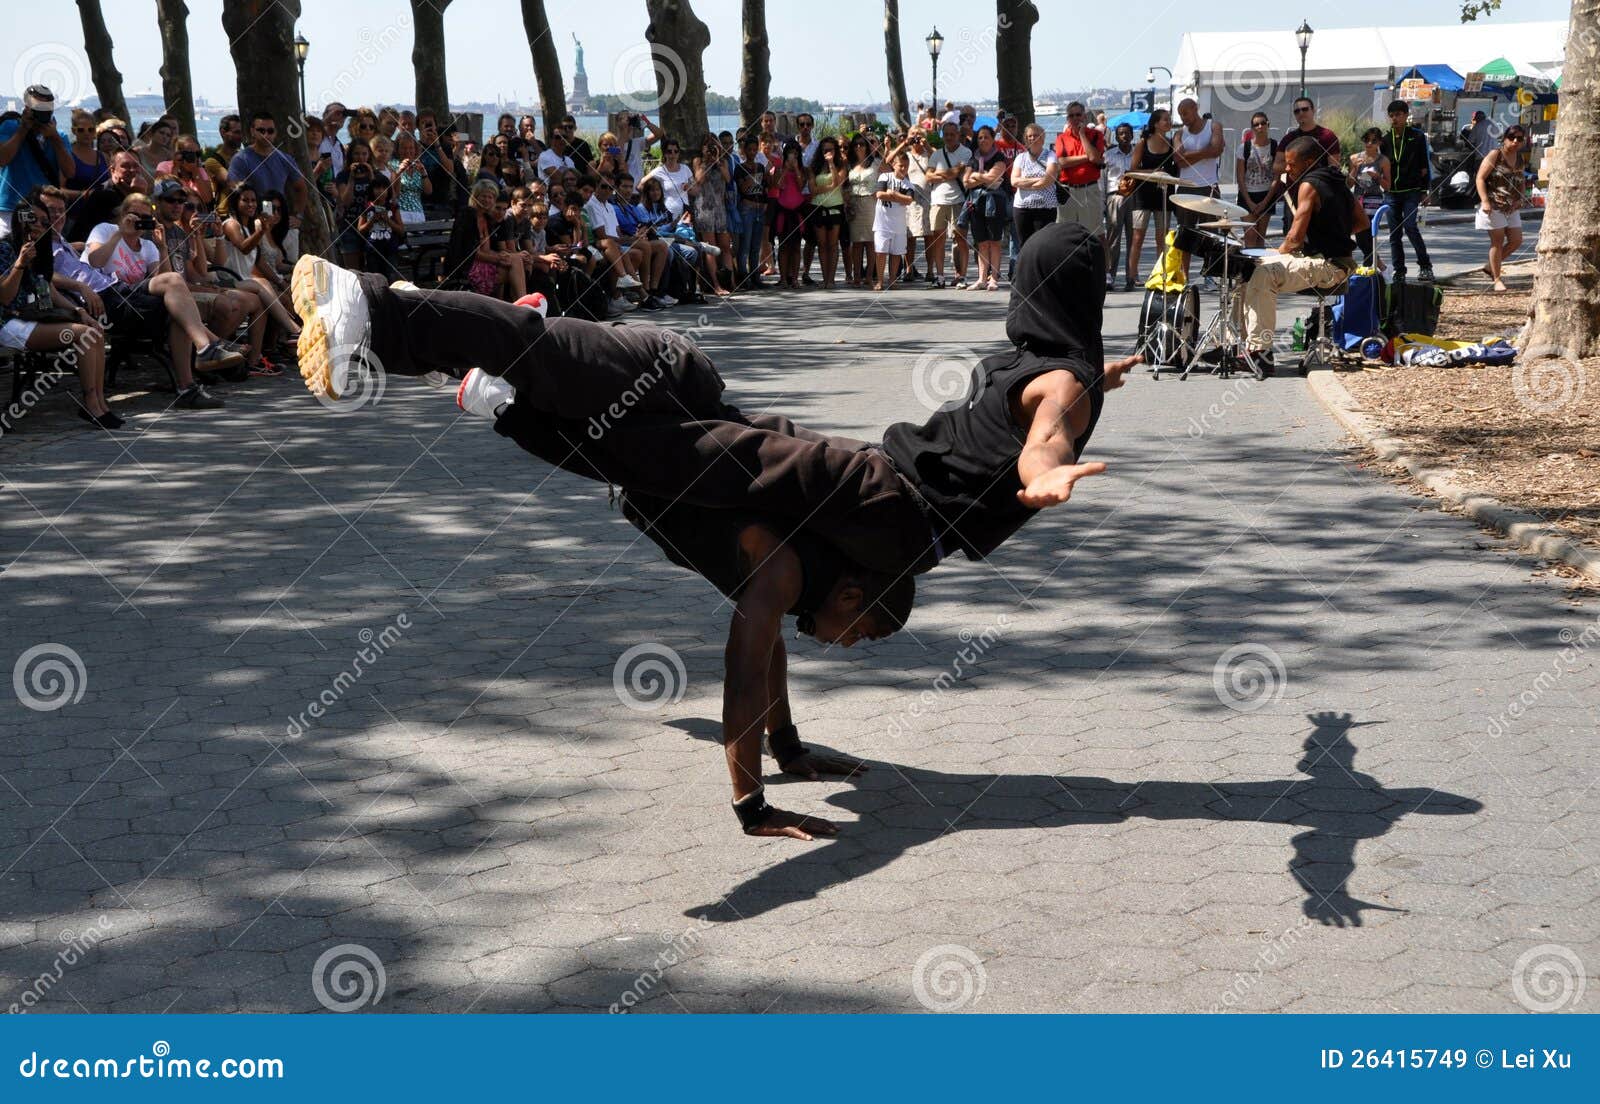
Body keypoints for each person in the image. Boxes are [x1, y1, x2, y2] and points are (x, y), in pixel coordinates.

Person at [291, 222, 1138, 838]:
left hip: (856, 482)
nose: (842, 644)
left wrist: (1098, 376)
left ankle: (469, 352)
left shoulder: (1034, 367)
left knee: (663, 436)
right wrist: (1044, 474)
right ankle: (381, 309)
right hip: (886, 505)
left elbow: (1049, 396)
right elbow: (1044, 436)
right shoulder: (1058, 387)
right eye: (860, 630)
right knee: (677, 454)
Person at [1214, 136, 1361, 372]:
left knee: (1263, 273)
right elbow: (1361, 222)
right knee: (1247, 272)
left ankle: (1260, 354)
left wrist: (1279, 255)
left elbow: (1294, 238)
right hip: (1329, 261)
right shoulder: (1338, 181)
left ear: (1310, 162)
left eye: (1292, 164)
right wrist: (1334, 234)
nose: (1287, 169)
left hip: (1330, 266)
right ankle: (1236, 347)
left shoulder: (1309, 185)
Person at [83, 192, 241, 404]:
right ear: (122, 214)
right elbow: (95, 261)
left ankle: (188, 388)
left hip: (136, 303)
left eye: (144, 217)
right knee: (175, 298)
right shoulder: (105, 230)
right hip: (106, 300)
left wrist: (162, 247)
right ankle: (209, 347)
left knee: (177, 309)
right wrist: (120, 233)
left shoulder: (148, 246)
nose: (138, 221)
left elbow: (163, 281)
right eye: (133, 215)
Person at [0, 200, 116, 426]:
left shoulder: (42, 251)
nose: (37, 226)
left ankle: (100, 402)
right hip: (8, 321)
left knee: (95, 330)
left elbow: (50, 290)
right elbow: (4, 297)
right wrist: (20, 264)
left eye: (44, 222)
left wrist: (78, 310)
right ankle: (91, 404)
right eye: (31, 219)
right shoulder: (5, 248)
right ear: (19, 220)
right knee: (85, 334)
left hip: (32, 315)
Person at [1249, 97, 1340, 236]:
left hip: (1320, 197)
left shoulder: (1327, 136)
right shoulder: (1289, 138)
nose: (1301, 113)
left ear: (1313, 110)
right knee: (1293, 236)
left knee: (1322, 238)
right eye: (1297, 111)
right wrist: (1297, 164)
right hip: (1294, 197)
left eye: (1305, 109)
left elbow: (1334, 168)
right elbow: (1276, 166)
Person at [0, 86, 70, 238]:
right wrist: (23, 129)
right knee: (8, 250)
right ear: (27, 107)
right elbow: (3, 159)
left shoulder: (60, 136)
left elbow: (70, 172)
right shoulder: (10, 126)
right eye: (39, 108)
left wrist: (55, 138)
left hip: (44, 209)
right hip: (11, 207)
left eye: (47, 108)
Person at [1378, 100, 1433, 282]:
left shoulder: (1417, 137)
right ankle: (1399, 270)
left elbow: (1424, 165)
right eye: (1392, 115)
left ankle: (1425, 266)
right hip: (1391, 192)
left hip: (1412, 190)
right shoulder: (1385, 140)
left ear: (1405, 115)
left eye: (1398, 115)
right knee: (1394, 233)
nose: (1395, 118)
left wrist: (1425, 190)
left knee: (1410, 227)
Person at [1123, 108, 1177, 291]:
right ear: (1155, 123)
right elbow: (1131, 170)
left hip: (1164, 194)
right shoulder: (1143, 143)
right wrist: (1153, 173)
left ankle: (1160, 275)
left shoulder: (1171, 143)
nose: (1169, 122)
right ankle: (1131, 277)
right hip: (1142, 195)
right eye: (1165, 120)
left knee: (1162, 238)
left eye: (1169, 119)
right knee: (1138, 237)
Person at [1475, 125, 1528, 292]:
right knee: (1497, 241)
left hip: (1511, 206)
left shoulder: (1520, 158)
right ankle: (1497, 279)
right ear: (1504, 138)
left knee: (1516, 240)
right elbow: (1480, 178)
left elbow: (1521, 179)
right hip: (1493, 204)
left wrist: (1521, 197)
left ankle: (1490, 266)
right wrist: (1485, 201)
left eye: (1519, 139)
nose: (1515, 141)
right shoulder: (1495, 155)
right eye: (1512, 137)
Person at [227, 111, 308, 219]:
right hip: (253, 222)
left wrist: (298, 216)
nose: (266, 135)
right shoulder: (241, 159)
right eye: (261, 130)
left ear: (275, 133)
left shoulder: (285, 159)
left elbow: (301, 188)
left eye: (270, 131)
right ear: (252, 131)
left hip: (280, 221)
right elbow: (235, 193)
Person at [924, 120, 972, 287]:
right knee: (938, 239)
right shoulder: (936, 154)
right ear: (943, 135)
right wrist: (947, 173)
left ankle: (962, 276)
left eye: (953, 134)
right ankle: (940, 276)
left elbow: (956, 172)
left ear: (958, 135)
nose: (949, 137)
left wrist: (938, 173)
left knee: (961, 239)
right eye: (947, 134)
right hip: (937, 201)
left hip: (958, 200)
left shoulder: (966, 152)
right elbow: (928, 177)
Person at [964, 126, 1010, 291]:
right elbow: (966, 181)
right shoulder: (973, 158)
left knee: (995, 242)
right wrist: (984, 179)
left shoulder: (999, 157)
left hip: (995, 203)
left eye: (986, 137)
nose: (983, 140)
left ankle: (994, 278)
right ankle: (982, 278)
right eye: (980, 137)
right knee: (981, 242)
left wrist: (976, 176)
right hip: (976, 203)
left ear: (993, 139)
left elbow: (995, 177)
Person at [690, 134, 736, 292]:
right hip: (705, 209)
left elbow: (728, 178)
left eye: (713, 145)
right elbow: (699, 179)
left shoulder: (723, 161)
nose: (711, 148)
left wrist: (717, 159)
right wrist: (705, 160)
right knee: (711, 248)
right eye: (708, 145)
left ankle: (730, 281)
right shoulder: (698, 161)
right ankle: (715, 285)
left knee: (725, 247)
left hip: (720, 209)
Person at [1052, 101, 1104, 233]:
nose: (1075, 118)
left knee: (1093, 233)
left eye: (1078, 115)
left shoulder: (1096, 135)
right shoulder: (1061, 138)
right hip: (1068, 191)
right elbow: (1062, 162)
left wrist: (1082, 135)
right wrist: (1087, 157)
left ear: (1084, 116)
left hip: (1089, 190)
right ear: (1067, 119)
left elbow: (1095, 159)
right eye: (1071, 116)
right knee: (1066, 233)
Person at [1010, 123, 1059, 254]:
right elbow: (1014, 181)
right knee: (1024, 245)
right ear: (1026, 139)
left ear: (1042, 138)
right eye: (1029, 136)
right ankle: (1026, 273)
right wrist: (1039, 180)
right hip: (1022, 208)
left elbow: (1049, 180)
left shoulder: (1051, 156)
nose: (1032, 138)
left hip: (1045, 208)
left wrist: (1026, 183)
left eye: (1036, 135)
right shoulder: (1020, 158)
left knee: (1044, 245)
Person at [807, 137, 847, 290]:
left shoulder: (840, 164)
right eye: (825, 150)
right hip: (818, 207)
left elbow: (838, 182)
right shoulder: (814, 166)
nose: (828, 152)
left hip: (835, 206)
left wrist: (831, 164)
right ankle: (825, 278)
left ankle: (831, 279)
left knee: (833, 244)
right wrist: (830, 186)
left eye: (831, 149)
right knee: (822, 245)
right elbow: (812, 190)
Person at [871, 150, 915, 290]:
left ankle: (892, 280)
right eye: (901, 165)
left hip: (899, 225)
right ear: (894, 165)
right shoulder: (885, 176)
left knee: (896, 253)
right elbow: (879, 194)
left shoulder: (909, 184)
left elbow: (909, 200)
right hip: (882, 223)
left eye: (906, 166)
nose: (903, 169)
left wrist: (893, 194)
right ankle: (880, 281)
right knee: (880, 252)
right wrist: (897, 197)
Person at [767, 143, 809, 289]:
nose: (793, 156)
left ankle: (795, 278)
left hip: (797, 210)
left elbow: (801, 185)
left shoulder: (802, 169)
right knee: (783, 246)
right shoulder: (779, 169)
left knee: (796, 246)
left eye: (796, 154)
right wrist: (785, 169)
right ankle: (784, 278)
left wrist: (796, 168)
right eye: (790, 153)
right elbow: (778, 185)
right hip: (783, 210)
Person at [1348, 128, 1390, 267]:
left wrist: (1377, 177)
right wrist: (1354, 169)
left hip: (1374, 200)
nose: (1369, 144)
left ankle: (1368, 269)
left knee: (1369, 235)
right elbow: (1348, 184)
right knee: (1360, 236)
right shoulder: (1355, 158)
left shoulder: (1383, 161)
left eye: (1374, 141)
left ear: (1379, 143)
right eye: (1367, 140)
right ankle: (1380, 266)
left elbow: (1387, 186)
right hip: (1358, 199)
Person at [732, 134, 770, 289]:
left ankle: (755, 276)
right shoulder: (740, 168)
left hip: (759, 208)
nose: (753, 152)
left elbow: (765, 187)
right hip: (746, 208)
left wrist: (765, 202)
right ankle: (743, 276)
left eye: (755, 150)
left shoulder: (760, 167)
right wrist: (753, 176)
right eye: (750, 150)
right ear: (744, 151)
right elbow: (744, 188)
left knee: (756, 246)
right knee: (745, 245)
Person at [1235, 112, 1277, 249]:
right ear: (1252, 128)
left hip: (1266, 193)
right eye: (1256, 124)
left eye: (1263, 123)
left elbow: (1277, 176)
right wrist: (1250, 202)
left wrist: (1265, 202)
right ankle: (1249, 267)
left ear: (1268, 125)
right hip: (1247, 194)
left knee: (1260, 236)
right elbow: (1240, 177)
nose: (1260, 126)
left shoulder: (1275, 146)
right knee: (1250, 234)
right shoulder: (1244, 148)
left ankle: (1259, 268)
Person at [844, 136, 881, 288]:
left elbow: (890, 169)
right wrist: (846, 201)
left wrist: (878, 192)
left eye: (862, 144)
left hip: (870, 203)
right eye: (856, 145)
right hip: (853, 203)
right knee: (856, 242)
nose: (859, 147)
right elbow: (845, 184)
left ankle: (869, 276)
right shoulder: (849, 164)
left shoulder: (875, 163)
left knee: (870, 242)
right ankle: (857, 275)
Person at [1102, 122, 1136, 284]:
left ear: (1132, 135)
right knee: (1113, 239)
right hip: (1114, 197)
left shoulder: (1137, 154)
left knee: (1133, 237)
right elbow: (1102, 179)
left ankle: (1131, 275)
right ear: (1116, 136)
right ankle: (1110, 274)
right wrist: (1103, 202)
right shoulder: (1108, 155)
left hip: (1134, 197)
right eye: (1121, 133)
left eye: (1127, 133)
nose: (1124, 136)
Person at [62, 109, 108, 202]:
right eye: (81, 130)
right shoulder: (67, 156)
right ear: (73, 131)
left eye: (90, 130)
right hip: (77, 212)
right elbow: (59, 189)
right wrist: (83, 194)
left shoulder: (104, 157)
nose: (86, 133)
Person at [643, 139, 694, 219]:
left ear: (679, 153)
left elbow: (695, 189)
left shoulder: (685, 169)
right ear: (664, 153)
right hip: (667, 215)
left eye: (676, 151)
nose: (673, 154)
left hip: (685, 215)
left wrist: (689, 187)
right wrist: (654, 197)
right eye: (669, 151)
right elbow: (640, 186)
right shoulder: (659, 171)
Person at [388, 132, 432, 225]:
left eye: (411, 148)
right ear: (397, 149)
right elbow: (392, 192)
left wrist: (423, 173)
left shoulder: (419, 165)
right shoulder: (392, 165)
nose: (407, 151)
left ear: (415, 149)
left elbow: (428, 191)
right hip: (400, 212)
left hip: (418, 213)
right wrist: (399, 172)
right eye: (404, 148)